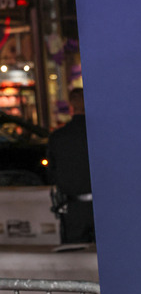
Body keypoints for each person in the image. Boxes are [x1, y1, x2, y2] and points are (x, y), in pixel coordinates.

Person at [48, 87, 95, 244]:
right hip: (104, 206)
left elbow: (52, 173)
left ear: (71, 106)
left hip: (73, 207)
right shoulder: (102, 134)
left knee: (75, 258)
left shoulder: (58, 137)